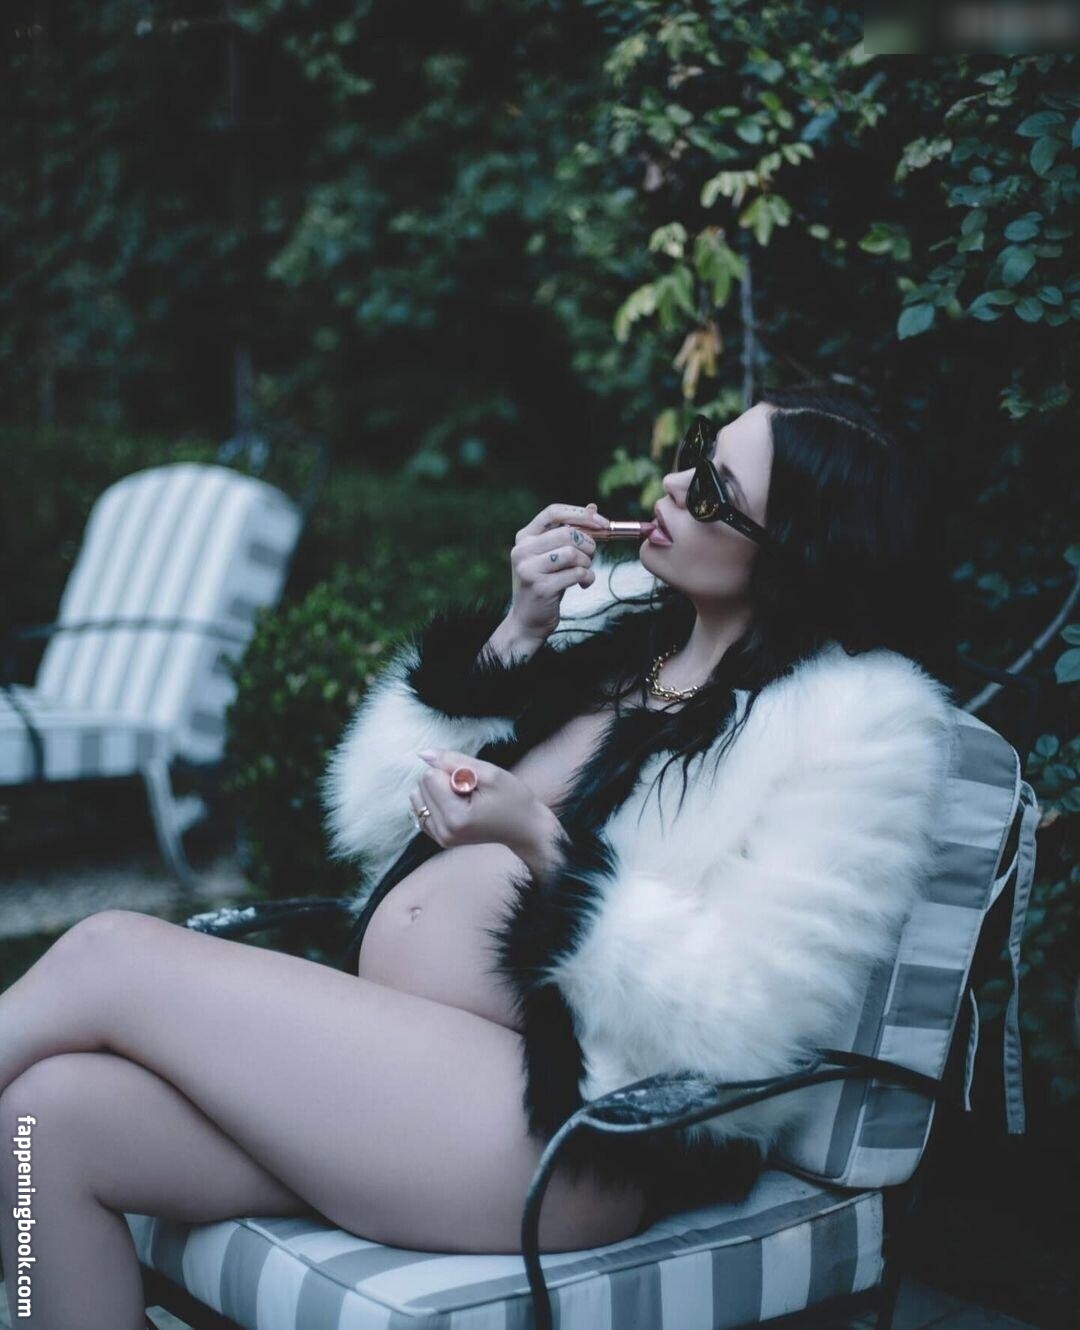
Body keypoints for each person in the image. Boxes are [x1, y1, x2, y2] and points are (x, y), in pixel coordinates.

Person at [0, 386, 958, 1329]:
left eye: (713, 489)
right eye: (697, 452)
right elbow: (374, 815)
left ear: (793, 557)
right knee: (45, 1125)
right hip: (404, 1077)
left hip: (566, 1133)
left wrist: (544, 844)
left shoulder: (847, 727)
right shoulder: (617, 628)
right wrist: (517, 635)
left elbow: (744, 1015)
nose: (673, 482)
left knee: (109, 953)